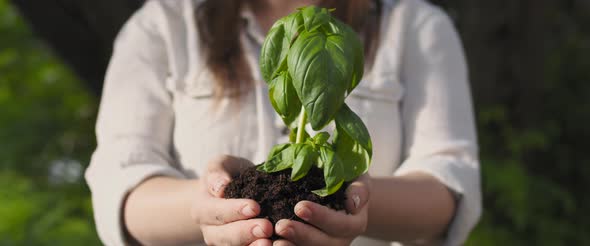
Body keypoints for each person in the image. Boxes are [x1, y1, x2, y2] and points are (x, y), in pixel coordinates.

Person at [85, 0, 482, 245]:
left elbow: (448, 181)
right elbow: (120, 181)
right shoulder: (162, 24)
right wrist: (206, 205)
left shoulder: (415, 25)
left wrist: (352, 201)